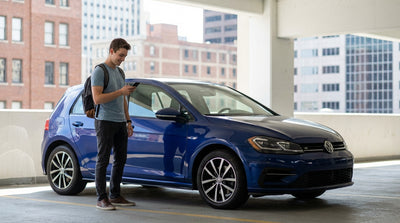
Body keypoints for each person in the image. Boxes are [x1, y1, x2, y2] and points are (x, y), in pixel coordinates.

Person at [91, 38, 136, 210]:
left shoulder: (120, 72)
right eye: (120, 55)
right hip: (104, 121)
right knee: (103, 160)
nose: (122, 59)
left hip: (120, 122)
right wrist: (120, 91)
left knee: (121, 159)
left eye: (124, 56)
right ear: (111, 51)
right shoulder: (100, 71)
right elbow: (97, 99)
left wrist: (128, 121)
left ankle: (115, 195)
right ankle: (101, 198)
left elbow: (123, 99)